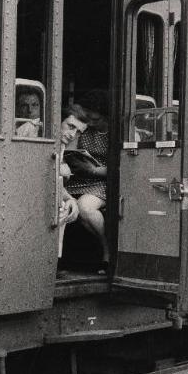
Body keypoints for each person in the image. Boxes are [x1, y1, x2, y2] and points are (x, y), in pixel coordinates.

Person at [66, 90, 109, 274]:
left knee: (85, 207)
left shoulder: (116, 133)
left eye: (95, 119)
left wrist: (94, 170)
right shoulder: (83, 129)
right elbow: (70, 152)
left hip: (103, 181)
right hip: (78, 179)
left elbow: (119, 166)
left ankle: (108, 251)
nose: (90, 123)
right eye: (88, 118)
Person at [58, 104, 89, 263]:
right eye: (70, 126)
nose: (72, 135)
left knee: (65, 206)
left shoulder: (61, 145)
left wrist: (70, 199)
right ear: (58, 119)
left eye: (78, 132)